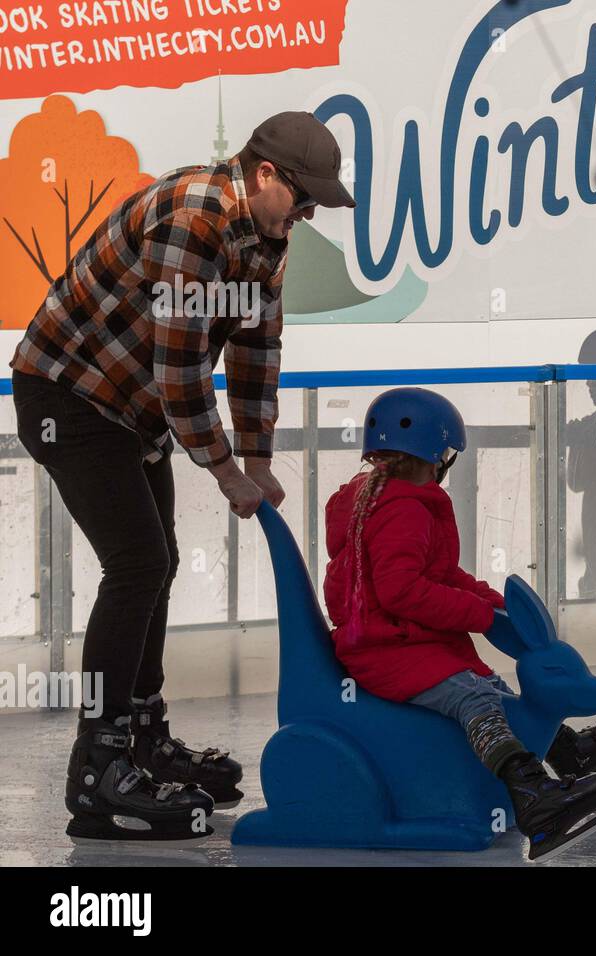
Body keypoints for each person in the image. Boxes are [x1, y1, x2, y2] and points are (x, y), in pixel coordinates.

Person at [9, 111, 356, 843]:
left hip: (131, 409)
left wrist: (258, 458)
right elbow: (178, 369)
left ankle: (141, 737)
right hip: (68, 393)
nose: (308, 214)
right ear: (265, 174)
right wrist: (226, 470)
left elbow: (258, 348)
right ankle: (96, 771)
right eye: (302, 198)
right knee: (138, 564)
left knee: (156, 564)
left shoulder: (269, 237)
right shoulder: (193, 213)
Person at [321, 387, 596, 860]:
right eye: (446, 454)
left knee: (491, 685)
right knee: (476, 698)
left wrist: (492, 602)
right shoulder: (404, 508)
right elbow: (400, 590)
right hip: (385, 652)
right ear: (434, 453)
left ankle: (569, 751)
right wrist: (476, 616)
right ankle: (534, 801)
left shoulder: (396, 498)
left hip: (404, 643)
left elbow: (440, 574)